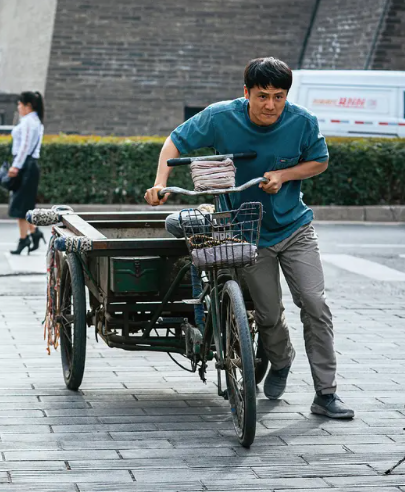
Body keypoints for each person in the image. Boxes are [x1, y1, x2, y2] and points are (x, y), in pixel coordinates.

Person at [144, 57, 353, 419]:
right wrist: (160, 183)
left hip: (294, 228)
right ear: (246, 93)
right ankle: (281, 360)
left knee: (315, 305)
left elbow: (319, 161)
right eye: (262, 96)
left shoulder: (302, 121)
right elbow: (174, 143)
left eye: (278, 96)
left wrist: (285, 175)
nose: (271, 105)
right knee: (269, 314)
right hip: (245, 233)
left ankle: (326, 393)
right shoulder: (220, 117)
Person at [8, 91, 46, 255]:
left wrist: (16, 166)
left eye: (20, 104)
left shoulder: (30, 122)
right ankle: (33, 234)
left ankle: (25, 239)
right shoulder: (31, 121)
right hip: (27, 165)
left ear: (28, 106)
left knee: (21, 206)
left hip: (25, 165)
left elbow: (25, 147)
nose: (18, 107)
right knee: (23, 205)